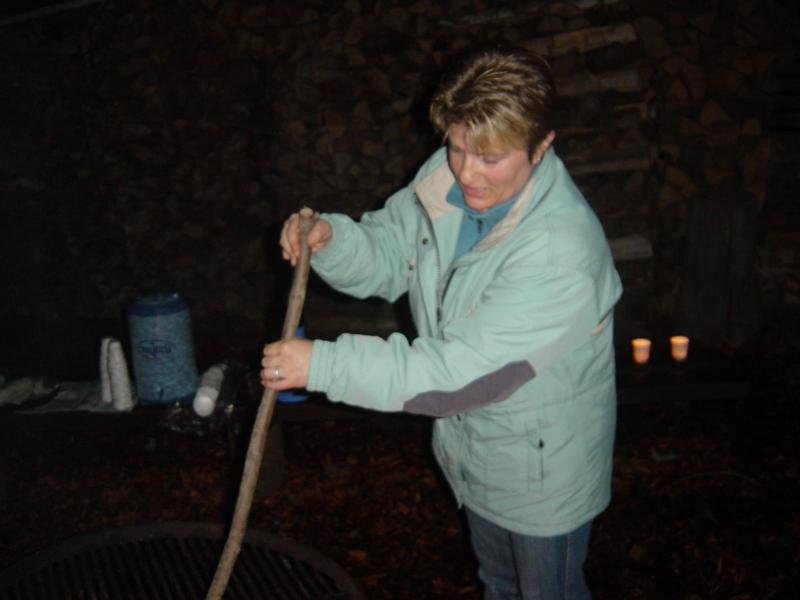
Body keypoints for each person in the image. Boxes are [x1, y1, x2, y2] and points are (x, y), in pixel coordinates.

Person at [261, 44, 622, 599]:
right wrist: (333, 241)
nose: (467, 173)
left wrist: (326, 365)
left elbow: (460, 374)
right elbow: (391, 251)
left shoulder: (559, 251)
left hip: (542, 473)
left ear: (542, 144)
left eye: (490, 157)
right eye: (456, 147)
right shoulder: (446, 177)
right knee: (497, 584)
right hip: (477, 452)